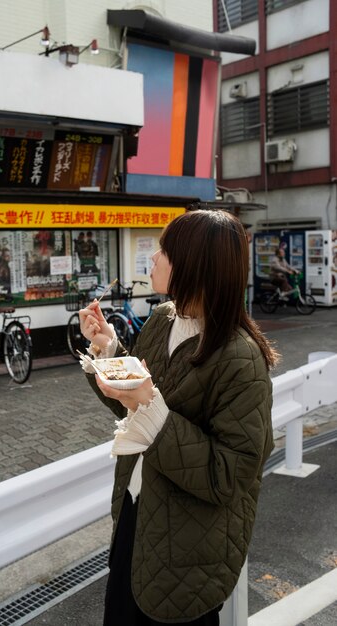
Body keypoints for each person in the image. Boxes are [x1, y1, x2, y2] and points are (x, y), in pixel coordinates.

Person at [79, 209, 278, 625]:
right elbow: (134, 406)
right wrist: (108, 350)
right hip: (138, 513)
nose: (153, 257)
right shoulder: (162, 319)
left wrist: (153, 409)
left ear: (195, 265)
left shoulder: (242, 359)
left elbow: (229, 475)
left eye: (165, 250)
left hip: (192, 549)